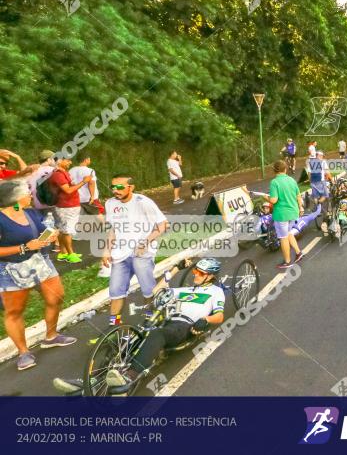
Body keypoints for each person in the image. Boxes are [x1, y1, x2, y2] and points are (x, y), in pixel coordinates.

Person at [52, 257, 225, 395]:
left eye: (201, 273)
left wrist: (206, 320)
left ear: (211, 276)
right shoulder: (184, 291)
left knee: (158, 335)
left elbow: (219, 315)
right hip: (168, 321)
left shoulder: (215, 292)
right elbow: (157, 290)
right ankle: (91, 381)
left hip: (186, 325)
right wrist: (175, 269)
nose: (196, 275)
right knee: (129, 339)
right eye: (195, 271)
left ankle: (130, 376)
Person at [0, 179, 75, 371]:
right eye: (27, 193)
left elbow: (43, 231)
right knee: (15, 311)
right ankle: (23, 353)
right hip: (11, 270)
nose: (31, 195)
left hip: (41, 263)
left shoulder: (30, 212)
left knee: (56, 298)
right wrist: (24, 247)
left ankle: (51, 336)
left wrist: (51, 234)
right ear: (15, 198)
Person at [103, 174, 169, 326]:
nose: (115, 190)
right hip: (120, 255)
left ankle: (150, 317)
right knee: (116, 292)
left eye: (119, 187)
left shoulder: (143, 202)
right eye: (112, 187)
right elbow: (113, 229)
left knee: (148, 291)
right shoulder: (110, 203)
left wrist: (145, 243)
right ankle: (114, 325)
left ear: (131, 187)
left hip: (142, 254)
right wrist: (107, 250)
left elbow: (163, 225)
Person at [47, 154, 93, 263]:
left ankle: (63, 253)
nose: (70, 163)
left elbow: (69, 187)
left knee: (64, 230)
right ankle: (71, 253)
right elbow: (68, 190)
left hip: (68, 205)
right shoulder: (58, 174)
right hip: (66, 206)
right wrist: (84, 182)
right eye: (68, 160)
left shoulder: (63, 173)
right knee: (67, 231)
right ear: (59, 161)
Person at [268, 160, 305, 269]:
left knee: (283, 237)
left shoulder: (274, 182)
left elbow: (273, 200)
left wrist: (267, 198)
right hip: (293, 212)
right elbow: (298, 195)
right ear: (285, 169)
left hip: (281, 215)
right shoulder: (292, 180)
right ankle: (298, 253)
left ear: (274, 170)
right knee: (289, 233)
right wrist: (300, 207)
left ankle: (287, 262)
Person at [308, 152, 331, 233]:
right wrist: (330, 180)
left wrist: (311, 182)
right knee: (326, 196)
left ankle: (316, 206)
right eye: (322, 156)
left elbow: (309, 174)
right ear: (319, 156)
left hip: (313, 183)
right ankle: (325, 213)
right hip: (321, 181)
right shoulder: (323, 162)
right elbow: (327, 173)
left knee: (315, 196)